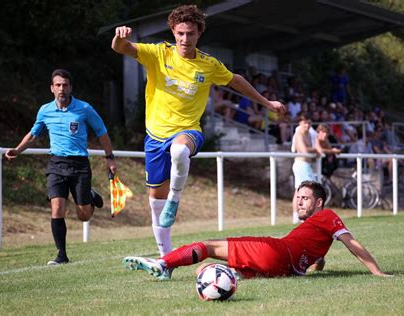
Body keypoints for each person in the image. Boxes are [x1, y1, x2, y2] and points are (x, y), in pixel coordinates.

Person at [111, 5, 286, 277]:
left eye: (190, 33)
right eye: (179, 33)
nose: (184, 39)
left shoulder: (208, 64)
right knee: (155, 204)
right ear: (173, 32)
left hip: (188, 130)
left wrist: (266, 102)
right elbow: (122, 49)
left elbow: (235, 81)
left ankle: (176, 198)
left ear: (199, 33)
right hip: (155, 137)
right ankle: (164, 261)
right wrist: (120, 37)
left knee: (180, 151)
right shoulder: (158, 53)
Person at [123, 181, 391, 280]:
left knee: (208, 246)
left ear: (319, 203)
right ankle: (221, 279)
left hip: (275, 250)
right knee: (206, 272)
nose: (299, 201)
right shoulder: (315, 227)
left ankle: (164, 264)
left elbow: (351, 242)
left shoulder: (328, 216)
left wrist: (377, 272)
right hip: (282, 270)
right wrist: (318, 262)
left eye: (305, 198)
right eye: (297, 197)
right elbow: (315, 257)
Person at [5, 69, 117, 265]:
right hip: (56, 164)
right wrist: (17, 150)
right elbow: (33, 135)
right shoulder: (45, 110)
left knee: (83, 216)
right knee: (57, 208)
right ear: (51, 88)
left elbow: (102, 133)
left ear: (70, 87)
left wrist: (110, 158)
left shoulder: (84, 108)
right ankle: (61, 255)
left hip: (79, 164)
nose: (61, 89)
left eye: (65, 85)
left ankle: (89, 197)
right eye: (58, 85)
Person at [291, 113, 318, 223]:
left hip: (306, 165)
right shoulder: (299, 134)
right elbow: (304, 150)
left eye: (309, 123)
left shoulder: (309, 135)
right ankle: (300, 215)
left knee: (299, 192)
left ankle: (299, 216)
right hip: (301, 165)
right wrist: (315, 149)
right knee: (305, 192)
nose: (307, 125)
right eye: (305, 123)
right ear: (300, 123)